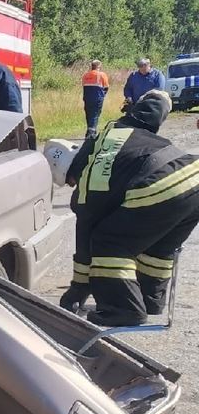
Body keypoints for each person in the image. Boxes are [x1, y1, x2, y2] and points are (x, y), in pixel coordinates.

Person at [59, 90, 199, 326]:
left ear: (71, 169)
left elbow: (85, 245)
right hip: (192, 178)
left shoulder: (88, 185)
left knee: (108, 242)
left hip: (164, 184)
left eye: (68, 180)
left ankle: (124, 310)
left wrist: (77, 291)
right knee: (157, 244)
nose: (71, 185)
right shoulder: (107, 139)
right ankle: (150, 300)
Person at [81, 59, 109, 137]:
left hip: (87, 97)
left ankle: (89, 129)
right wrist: (103, 96)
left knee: (88, 114)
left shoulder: (85, 75)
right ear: (99, 66)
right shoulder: (101, 75)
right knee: (95, 114)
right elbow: (106, 87)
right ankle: (91, 133)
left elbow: (84, 86)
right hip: (97, 97)